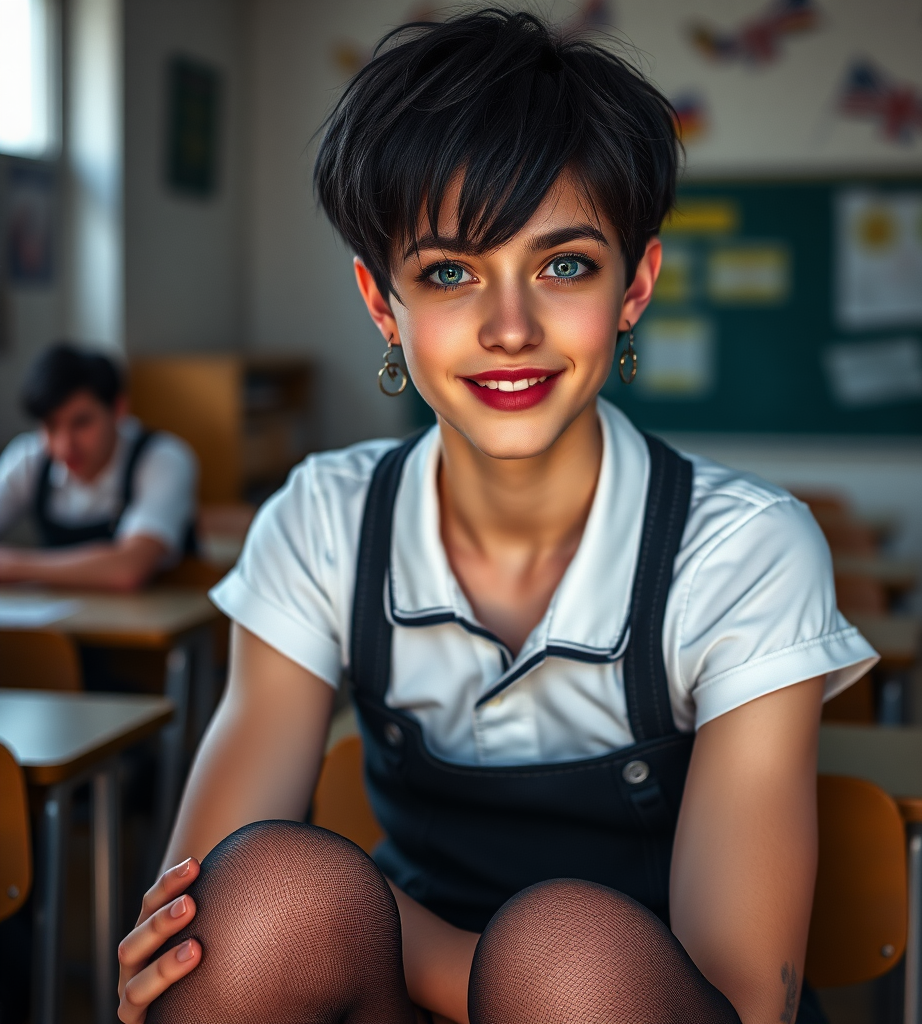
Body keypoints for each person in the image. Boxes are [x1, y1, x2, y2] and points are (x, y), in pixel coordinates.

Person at [116, 11, 878, 1024]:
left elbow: (744, 997)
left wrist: (395, 930)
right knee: (256, 904)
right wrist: (312, 926)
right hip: (398, 998)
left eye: (563, 265)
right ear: (383, 306)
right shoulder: (324, 518)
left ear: (635, 286)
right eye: (447, 273)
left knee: (565, 963)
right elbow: (193, 924)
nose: (509, 328)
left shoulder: (742, 548)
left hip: (640, 1006)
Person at [0, 342, 197, 591]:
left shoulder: (163, 459)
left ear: (118, 409)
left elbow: (127, 569)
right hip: (64, 623)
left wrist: (14, 566)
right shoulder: (29, 460)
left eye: (81, 423)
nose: (64, 446)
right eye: (50, 427)